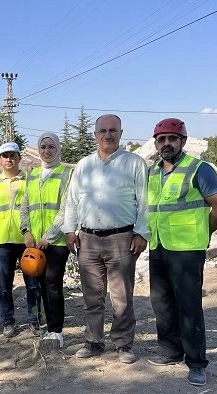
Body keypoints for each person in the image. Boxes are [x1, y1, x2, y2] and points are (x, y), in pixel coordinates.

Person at [147, 118, 217, 385]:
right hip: (159, 246)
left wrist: (204, 233)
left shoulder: (199, 169)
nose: (166, 143)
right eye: (161, 139)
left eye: (172, 138)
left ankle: (196, 362)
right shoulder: (152, 173)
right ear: (156, 144)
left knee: (189, 306)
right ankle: (171, 351)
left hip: (187, 250)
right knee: (162, 303)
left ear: (182, 141)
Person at [62, 114, 149, 364]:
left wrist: (142, 232)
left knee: (121, 296)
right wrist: (70, 230)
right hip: (87, 238)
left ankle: (123, 344)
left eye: (113, 130)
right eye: (103, 130)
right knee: (92, 295)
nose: (107, 135)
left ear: (121, 133)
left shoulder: (134, 163)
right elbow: (73, 199)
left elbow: (144, 201)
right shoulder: (84, 165)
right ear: (95, 134)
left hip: (121, 237)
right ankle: (93, 341)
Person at [21, 132, 73, 352]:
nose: (47, 151)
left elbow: (66, 208)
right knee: (41, 284)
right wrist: (26, 230)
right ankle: (49, 326)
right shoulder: (31, 175)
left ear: (58, 148)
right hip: (34, 242)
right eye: (43, 147)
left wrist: (48, 237)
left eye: (51, 146)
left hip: (56, 242)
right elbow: (24, 205)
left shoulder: (66, 174)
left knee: (52, 284)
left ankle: (56, 330)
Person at [0, 142, 42, 338]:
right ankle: (8, 322)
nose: (8, 159)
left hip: (26, 240)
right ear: (0, 160)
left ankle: (34, 321)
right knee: (4, 285)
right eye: (5, 156)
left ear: (19, 158)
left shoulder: (29, 181)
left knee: (33, 284)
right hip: (2, 241)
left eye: (12, 155)